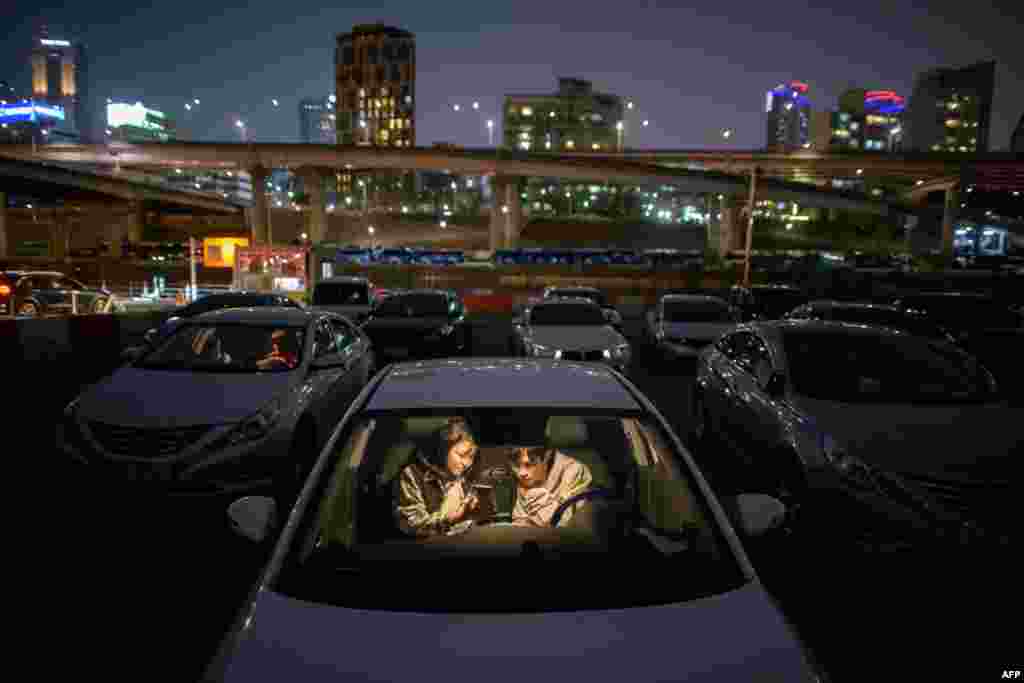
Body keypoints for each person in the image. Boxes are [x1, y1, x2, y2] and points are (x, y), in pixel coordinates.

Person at [394, 418, 481, 537]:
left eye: (471, 457)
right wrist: (450, 519)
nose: (466, 463)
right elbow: (411, 525)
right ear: (444, 450)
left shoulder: (463, 478)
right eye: (461, 455)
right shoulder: (413, 474)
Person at [507, 446, 593, 528]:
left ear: (547, 456)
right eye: (517, 466)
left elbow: (567, 524)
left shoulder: (573, 470)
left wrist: (547, 504)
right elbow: (520, 520)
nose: (521, 473)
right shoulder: (526, 477)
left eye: (529, 464)